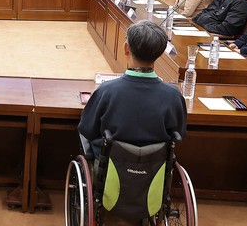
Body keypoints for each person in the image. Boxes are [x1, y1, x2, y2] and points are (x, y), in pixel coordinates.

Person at [78, 20, 187, 159]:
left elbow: (87, 129)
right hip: (155, 169)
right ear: (160, 54)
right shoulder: (173, 95)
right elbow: (179, 133)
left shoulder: (106, 91)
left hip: (109, 167)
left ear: (126, 48)